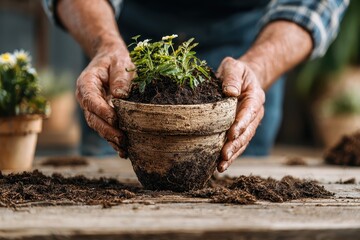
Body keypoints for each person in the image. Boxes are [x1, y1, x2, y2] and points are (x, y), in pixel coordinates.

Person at [44, 0, 348, 172]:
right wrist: (104, 43)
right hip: (121, 48)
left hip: (249, 40)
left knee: (232, 185)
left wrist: (258, 65)